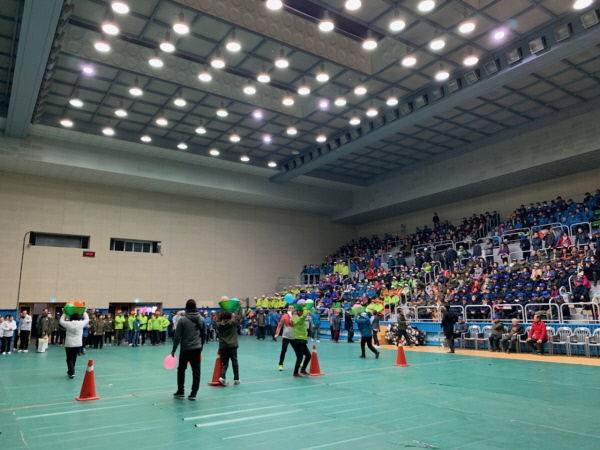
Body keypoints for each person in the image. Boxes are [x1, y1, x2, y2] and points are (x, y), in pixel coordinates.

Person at [172, 299, 206, 400]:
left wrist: (174, 349)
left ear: (186, 308)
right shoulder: (201, 319)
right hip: (197, 348)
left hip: (185, 349)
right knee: (196, 370)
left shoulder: (182, 320)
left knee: (181, 370)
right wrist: (201, 345)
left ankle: (180, 391)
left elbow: (177, 336)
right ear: (196, 307)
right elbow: (204, 334)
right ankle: (193, 393)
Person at [217, 309, 243, 386]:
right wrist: (239, 307)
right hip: (232, 345)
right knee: (234, 362)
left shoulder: (219, 324)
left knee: (225, 363)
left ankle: (222, 377)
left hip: (223, 346)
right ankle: (236, 379)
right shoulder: (233, 323)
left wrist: (221, 316)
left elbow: (218, 320)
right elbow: (239, 316)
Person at [60, 310, 90, 378]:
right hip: (78, 343)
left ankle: (71, 372)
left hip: (69, 344)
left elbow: (61, 321)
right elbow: (87, 319)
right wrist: (84, 312)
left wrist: (64, 313)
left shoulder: (68, 324)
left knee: (69, 359)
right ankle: (71, 370)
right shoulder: (81, 323)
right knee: (74, 358)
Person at [292, 308, 311, 377]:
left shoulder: (302, 320)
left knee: (308, 355)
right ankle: (295, 372)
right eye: (302, 311)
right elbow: (304, 316)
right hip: (299, 340)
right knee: (300, 357)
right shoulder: (297, 319)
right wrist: (305, 307)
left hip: (303, 340)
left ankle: (303, 369)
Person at [276, 304, 296, 371]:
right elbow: (280, 325)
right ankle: (280, 364)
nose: (291, 309)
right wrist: (277, 333)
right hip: (286, 337)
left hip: (293, 337)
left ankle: (300, 361)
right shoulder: (284, 316)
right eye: (289, 308)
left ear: (294, 309)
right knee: (283, 350)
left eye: (292, 308)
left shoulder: (296, 317)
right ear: (288, 309)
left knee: (297, 351)